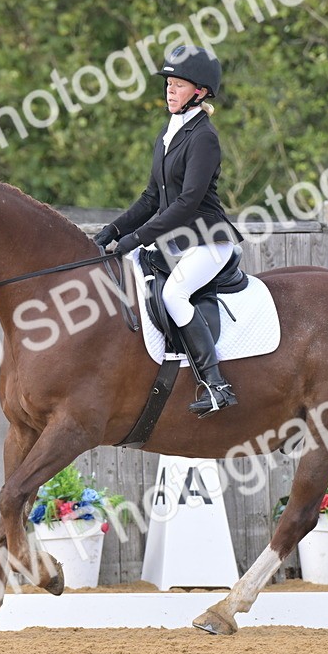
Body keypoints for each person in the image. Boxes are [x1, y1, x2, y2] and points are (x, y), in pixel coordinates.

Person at [93, 45, 243, 417]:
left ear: (200, 92)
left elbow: (187, 202)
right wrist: (113, 230)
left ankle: (217, 385)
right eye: (168, 84)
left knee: (174, 294)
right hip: (177, 241)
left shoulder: (203, 137)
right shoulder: (169, 131)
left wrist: (136, 238)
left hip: (207, 239)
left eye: (178, 85)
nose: (170, 90)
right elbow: (151, 198)